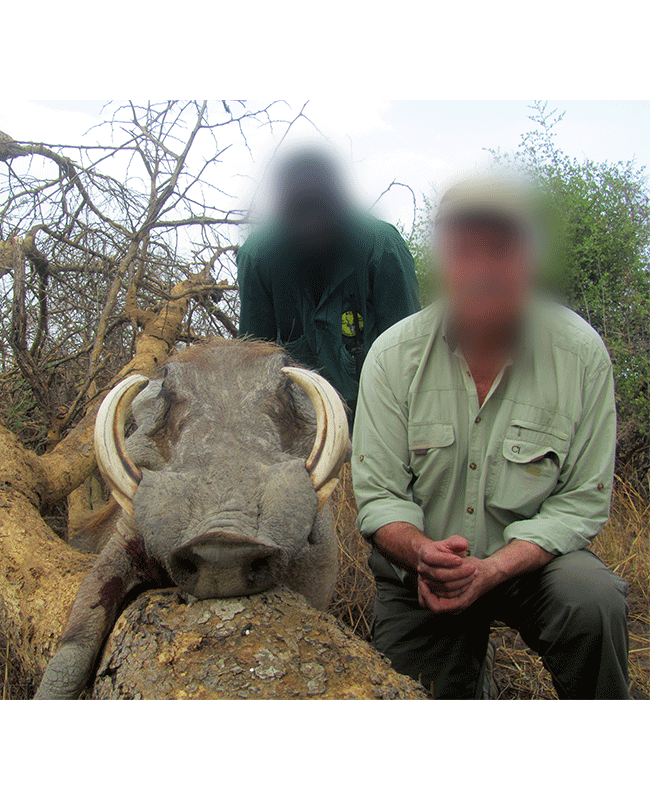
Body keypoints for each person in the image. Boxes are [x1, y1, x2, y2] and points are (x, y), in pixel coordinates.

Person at [351, 173, 631, 699]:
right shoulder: (391, 357)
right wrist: (422, 557)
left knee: (592, 600)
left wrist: (496, 567)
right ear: (442, 263)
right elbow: (379, 496)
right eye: (464, 251)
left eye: (501, 250)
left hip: (530, 567)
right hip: (423, 576)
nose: (482, 270)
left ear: (529, 259)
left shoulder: (580, 354)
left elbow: (581, 503)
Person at [237, 147, 420, 417]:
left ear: (339, 204)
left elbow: (409, 357)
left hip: (377, 414)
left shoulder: (382, 248)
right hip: (295, 420)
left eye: (319, 207)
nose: (311, 226)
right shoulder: (258, 256)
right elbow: (253, 365)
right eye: (300, 209)